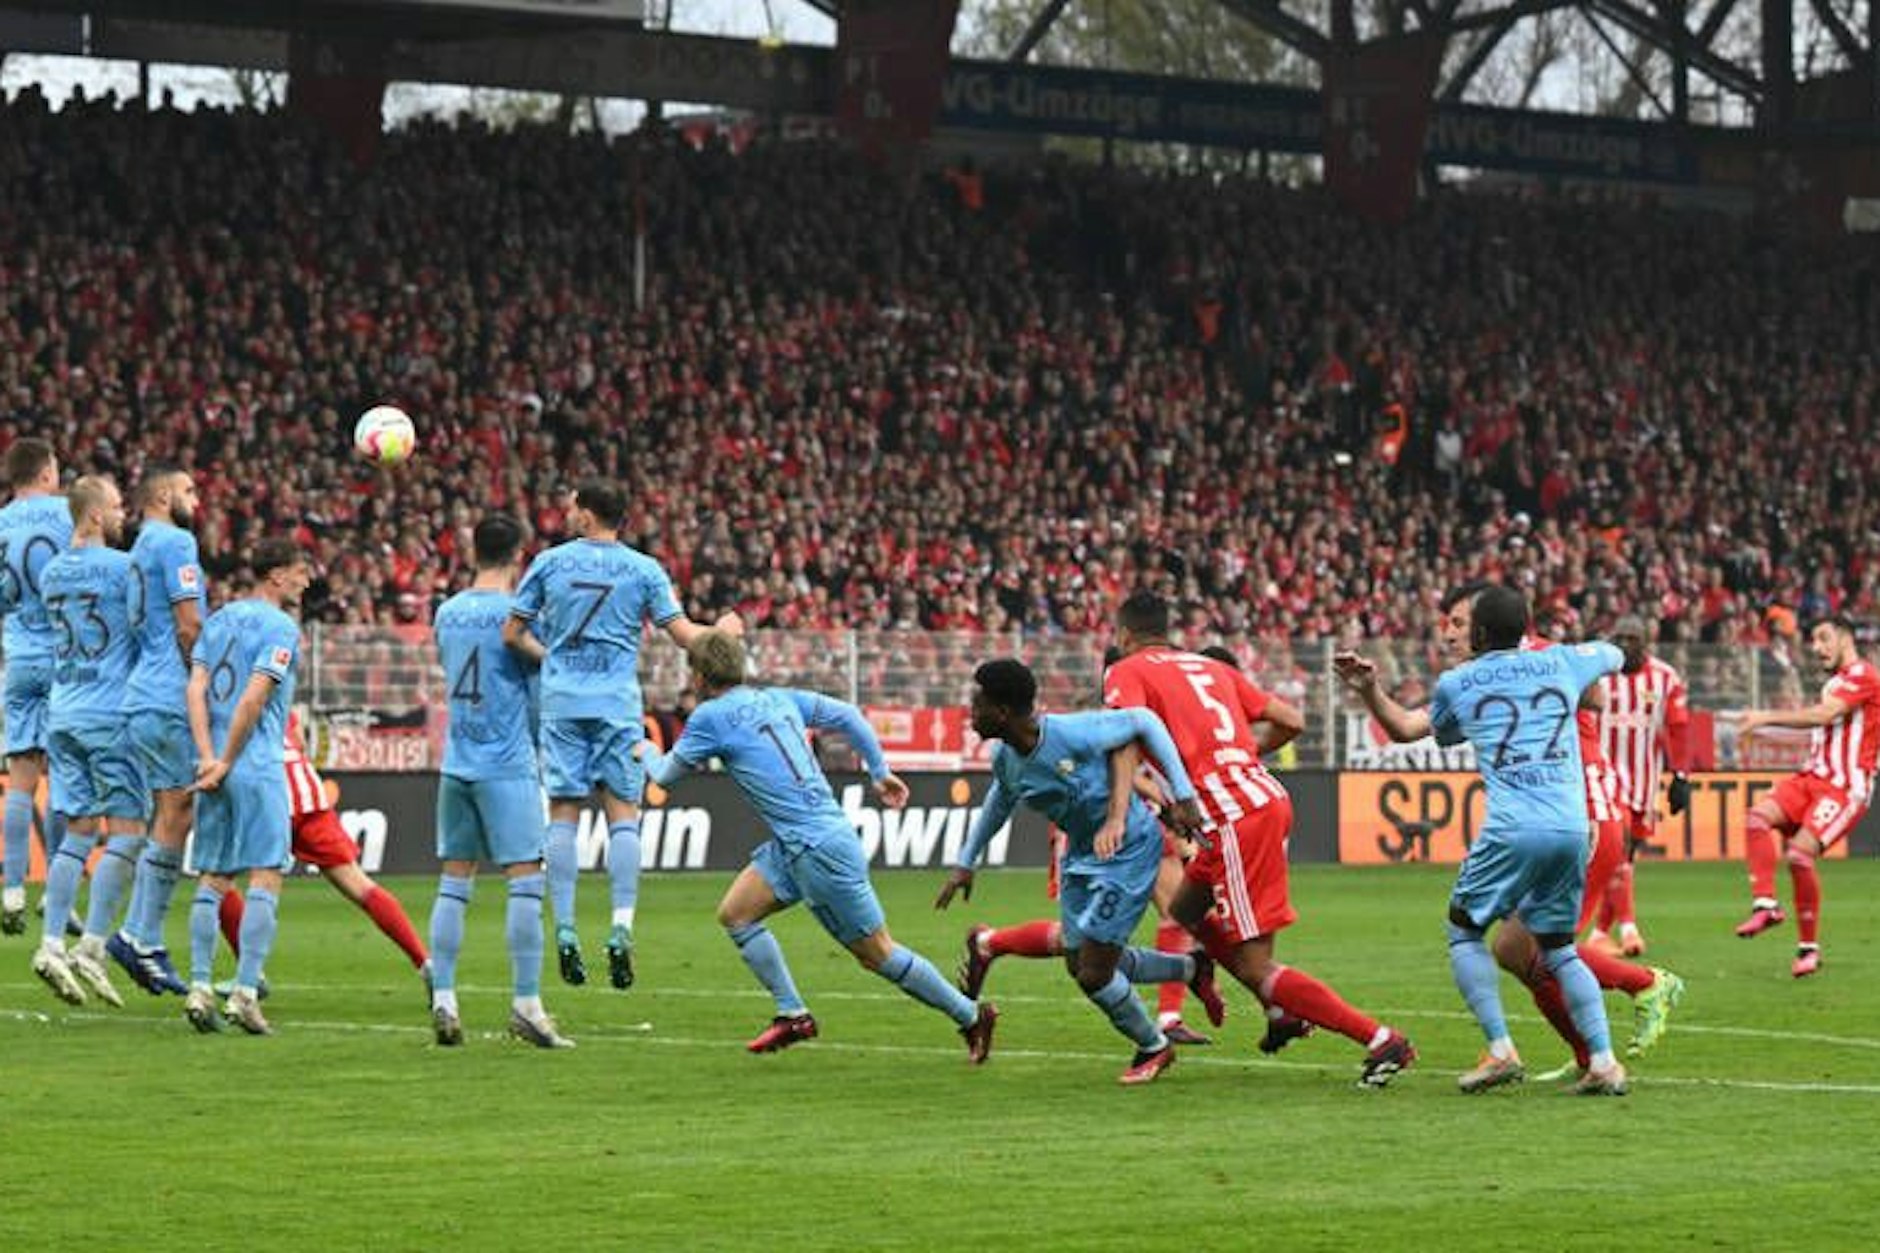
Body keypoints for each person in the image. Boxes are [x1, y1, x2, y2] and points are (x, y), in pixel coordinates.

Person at [636, 631, 997, 1060]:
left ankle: (971, 1016)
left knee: (878, 953)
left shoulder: (710, 717)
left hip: (817, 849)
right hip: (798, 844)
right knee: (736, 914)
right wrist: (878, 771)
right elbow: (848, 714)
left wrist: (643, 750)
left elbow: (663, 776)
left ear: (697, 675)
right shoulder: (777, 697)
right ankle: (793, 1014)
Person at [1106, 593, 1416, 1087]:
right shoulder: (1211, 668)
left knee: (1255, 965)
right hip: (1255, 796)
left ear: (1123, 634)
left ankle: (1380, 1039)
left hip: (1233, 816)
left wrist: (1118, 814)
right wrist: (1236, 758)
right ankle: (1277, 1014)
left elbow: (1123, 738)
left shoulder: (1126, 670)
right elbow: (1291, 721)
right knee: (1185, 910)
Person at [1337, 584, 1630, 1096]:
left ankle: (1499, 1049)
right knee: (1560, 948)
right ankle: (1604, 1061)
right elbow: (1615, 656)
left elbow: (1407, 729)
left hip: (1513, 828)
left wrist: (1368, 691)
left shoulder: (1460, 682)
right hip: (1571, 826)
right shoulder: (1562, 660)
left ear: (1478, 632)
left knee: (1463, 929)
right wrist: (1612, 653)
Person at [937, 658, 1222, 1086]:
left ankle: (1154, 1045)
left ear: (1002, 712)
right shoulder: (1006, 757)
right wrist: (965, 861)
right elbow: (999, 802)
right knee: (1078, 961)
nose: (970, 714)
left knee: (1094, 973)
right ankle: (1190, 969)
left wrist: (1182, 794)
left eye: (976, 705)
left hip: (1126, 851)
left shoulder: (1068, 733)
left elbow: (1144, 721)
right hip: (1082, 855)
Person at [504, 479, 740, 991]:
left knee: (563, 814)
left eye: (572, 507)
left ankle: (565, 929)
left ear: (587, 515)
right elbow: (684, 636)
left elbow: (512, 633)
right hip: (616, 704)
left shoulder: (549, 563)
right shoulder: (643, 569)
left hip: (563, 702)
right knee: (623, 817)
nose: (567, 513)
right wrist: (723, 633)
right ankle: (620, 926)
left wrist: (556, 663)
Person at [429, 513, 570, 1049]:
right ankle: (527, 1004)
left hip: (456, 761)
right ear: (518, 557)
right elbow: (537, 691)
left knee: (454, 880)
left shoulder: (447, 613)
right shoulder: (519, 616)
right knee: (525, 881)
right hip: (506, 762)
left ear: (473, 553)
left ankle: (443, 996)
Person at [209, 710, 431, 1000]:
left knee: (217, 880)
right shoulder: (275, 693)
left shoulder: (226, 698)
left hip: (268, 796)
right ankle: (426, 964)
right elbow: (298, 738)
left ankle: (250, 976)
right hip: (308, 794)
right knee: (359, 884)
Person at [181, 538, 309, 1036]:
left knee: (212, 877)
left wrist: (208, 758)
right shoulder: (281, 628)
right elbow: (254, 700)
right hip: (253, 766)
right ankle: (245, 992)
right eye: (299, 571)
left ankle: (196, 987)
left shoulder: (219, 619)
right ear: (276, 575)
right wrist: (230, 760)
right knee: (266, 875)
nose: (306, 580)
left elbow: (194, 688)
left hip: (211, 762)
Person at [29, 476, 140, 1007]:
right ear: (93, 515)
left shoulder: (50, 574)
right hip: (109, 712)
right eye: (116, 507)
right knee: (128, 832)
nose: (123, 516)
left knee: (76, 831)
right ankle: (91, 946)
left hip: (64, 710)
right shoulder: (123, 569)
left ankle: (51, 943)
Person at [1731, 613, 1880, 977]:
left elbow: (1824, 715)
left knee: (1799, 855)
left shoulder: (1864, 675)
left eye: (1824, 638)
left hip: (1845, 787)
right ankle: (1766, 905)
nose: (1817, 648)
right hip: (1811, 777)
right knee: (1756, 818)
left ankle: (1808, 948)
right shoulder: (1837, 681)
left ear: (1846, 638)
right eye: (1814, 640)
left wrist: (1764, 718)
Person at [105, 467, 204, 994]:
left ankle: (143, 936)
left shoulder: (138, 548)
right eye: (189, 490)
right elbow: (188, 625)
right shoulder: (176, 541)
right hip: (168, 694)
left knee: (169, 813)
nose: (196, 499)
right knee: (176, 811)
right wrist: (206, 680)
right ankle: (139, 937)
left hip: (141, 690)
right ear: (163, 496)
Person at [0, 437, 71, 936]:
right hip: (68, 663)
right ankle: (58, 894)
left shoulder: (0, 523)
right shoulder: (68, 515)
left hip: (19, 658)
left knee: (21, 781)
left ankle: (11, 887)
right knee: (68, 778)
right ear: (46, 472)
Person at [1596, 616, 1692, 956]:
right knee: (1618, 850)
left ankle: (1598, 934)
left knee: (1626, 859)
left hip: (1644, 782)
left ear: (1645, 642)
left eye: (1631, 638)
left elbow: (1679, 729)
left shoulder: (1665, 677)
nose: (1624, 644)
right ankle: (1629, 929)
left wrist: (1681, 776)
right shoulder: (1598, 674)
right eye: (1618, 637)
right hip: (1603, 779)